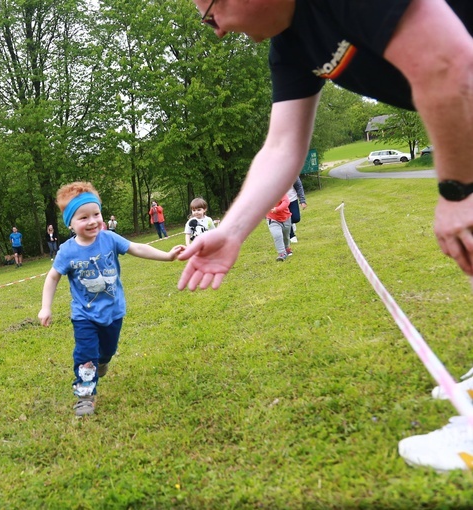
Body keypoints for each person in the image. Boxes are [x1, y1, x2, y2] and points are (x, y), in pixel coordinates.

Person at [182, 0, 473, 471]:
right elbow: (281, 146)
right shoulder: (290, 44)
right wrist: (232, 231)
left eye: (210, 15)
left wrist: (459, 190)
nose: (215, 32)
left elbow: (449, 61)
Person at [38, 182, 185, 417]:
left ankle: (102, 361)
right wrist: (46, 307)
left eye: (96, 214)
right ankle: (85, 396)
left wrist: (167, 256)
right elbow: (52, 277)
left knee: (106, 351)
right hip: (84, 315)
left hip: (113, 311)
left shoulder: (109, 239)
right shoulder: (67, 251)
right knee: (86, 356)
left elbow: (137, 247)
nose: (93, 221)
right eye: (83, 217)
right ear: (70, 224)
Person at [266, 194, 293, 262]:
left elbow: (286, 202)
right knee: (277, 235)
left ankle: (286, 248)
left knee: (286, 236)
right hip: (272, 219)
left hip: (286, 218)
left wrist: (277, 209)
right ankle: (282, 253)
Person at [288, 177, 307, 243]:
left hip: (292, 199)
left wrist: (302, 201)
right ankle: (292, 236)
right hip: (281, 201)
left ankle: (291, 223)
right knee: (287, 219)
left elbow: (299, 187)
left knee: (296, 218)